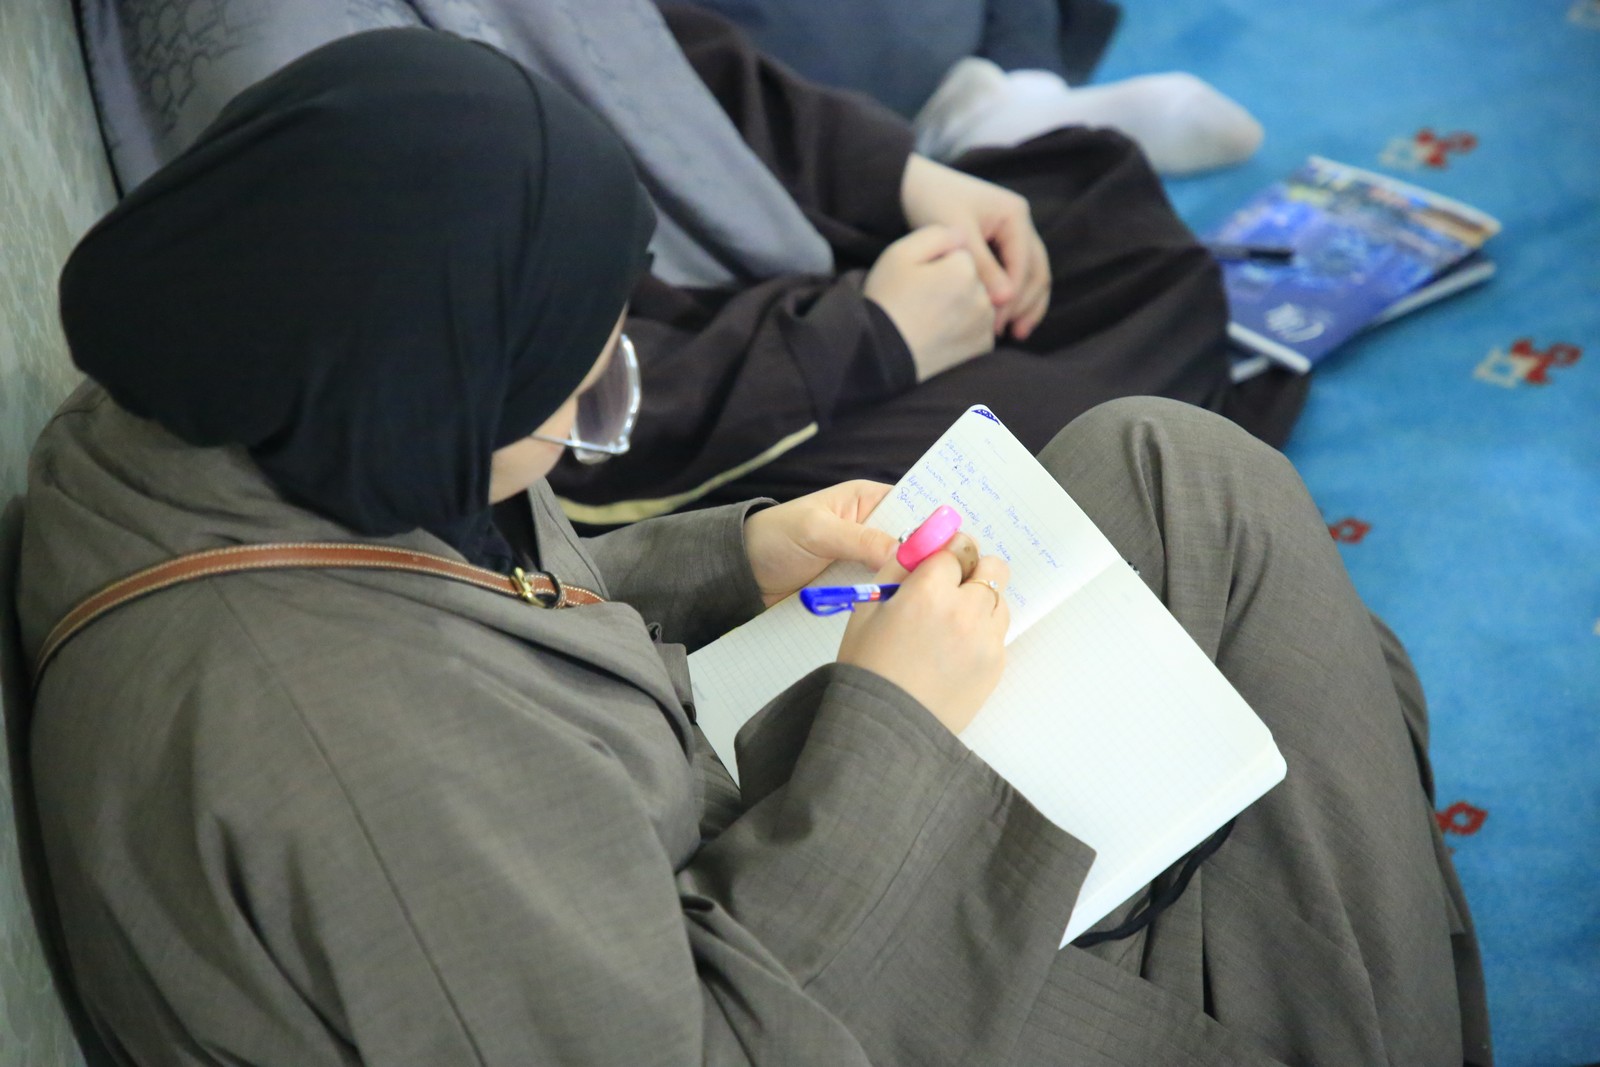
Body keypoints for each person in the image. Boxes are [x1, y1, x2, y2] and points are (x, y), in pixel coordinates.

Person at [17, 29, 1490, 1066]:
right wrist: (900, 724)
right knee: (1307, 657)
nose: (594, 416)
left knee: (1173, 469)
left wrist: (737, 552)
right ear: (432, 402)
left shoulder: (222, 398)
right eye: (576, 390)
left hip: (665, 837)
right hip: (766, 991)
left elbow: (446, 601)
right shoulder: (367, 777)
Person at [73, 0, 1307, 531]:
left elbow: (659, 62)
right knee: (1065, 425)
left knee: (1107, 225)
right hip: (640, 414)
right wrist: (868, 338)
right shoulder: (259, 53)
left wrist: (898, 179)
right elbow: (487, 401)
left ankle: (980, 127)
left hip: (722, 270)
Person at [687, 0, 1266, 177]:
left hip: (974, 55)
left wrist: (1026, 67)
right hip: (808, 129)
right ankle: (971, 127)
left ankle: (1019, 97)